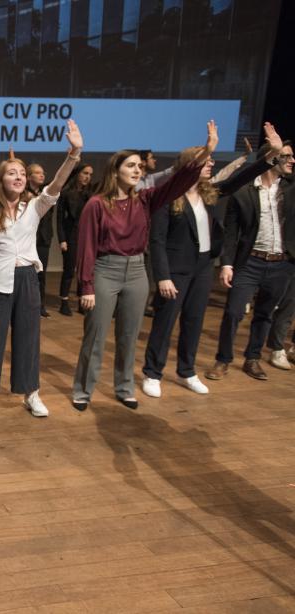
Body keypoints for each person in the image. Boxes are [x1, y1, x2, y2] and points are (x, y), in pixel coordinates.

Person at [71, 122, 217, 411]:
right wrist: (86, 286)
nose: (138, 170)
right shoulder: (97, 204)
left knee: (129, 334)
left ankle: (124, 387)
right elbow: (86, 248)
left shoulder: (146, 199)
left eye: (140, 166)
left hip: (137, 271)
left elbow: (178, 183)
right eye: (131, 166)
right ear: (116, 171)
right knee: (96, 335)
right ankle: (83, 390)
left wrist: (207, 151)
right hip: (105, 271)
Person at [142, 123, 283, 397]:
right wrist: (162, 276)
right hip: (175, 270)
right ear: (189, 166)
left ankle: (186, 371)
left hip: (202, 268)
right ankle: (152, 372)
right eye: (206, 162)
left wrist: (271, 156)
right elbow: (156, 240)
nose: (211, 165)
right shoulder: (166, 197)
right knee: (165, 323)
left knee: (194, 321)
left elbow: (239, 179)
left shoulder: (208, 193)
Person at [0, 121, 84, 422]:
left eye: (22, 173)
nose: (19, 177)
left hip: (27, 280)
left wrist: (73, 155)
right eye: (12, 172)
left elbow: (55, 186)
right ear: (0, 180)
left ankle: (30, 393)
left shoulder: (34, 207)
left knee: (28, 340)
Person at [206, 139, 295, 381]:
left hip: (281, 263)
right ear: (272, 157)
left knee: (264, 314)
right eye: (286, 156)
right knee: (234, 312)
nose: (292, 161)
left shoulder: (290, 187)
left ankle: (252, 358)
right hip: (250, 262)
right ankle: (222, 360)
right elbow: (231, 232)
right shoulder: (243, 191)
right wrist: (226, 263)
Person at [55, 163, 94, 315]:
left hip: (86, 237)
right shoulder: (66, 193)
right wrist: (62, 239)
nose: (87, 177)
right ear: (77, 173)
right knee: (69, 270)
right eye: (85, 173)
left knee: (84, 270)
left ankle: (80, 302)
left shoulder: (90, 194)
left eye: (90, 174)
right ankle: (64, 302)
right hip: (70, 236)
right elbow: (59, 219)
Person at [26, 164, 53, 317]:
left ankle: (40, 305)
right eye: (37, 173)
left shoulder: (46, 193)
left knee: (41, 274)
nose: (42, 175)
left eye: (43, 172)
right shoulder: (22, 192)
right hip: (27, 238)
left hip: (43, 238)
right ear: (29, 177)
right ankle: (25, 304)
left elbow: (61, 182)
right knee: (26, 274)